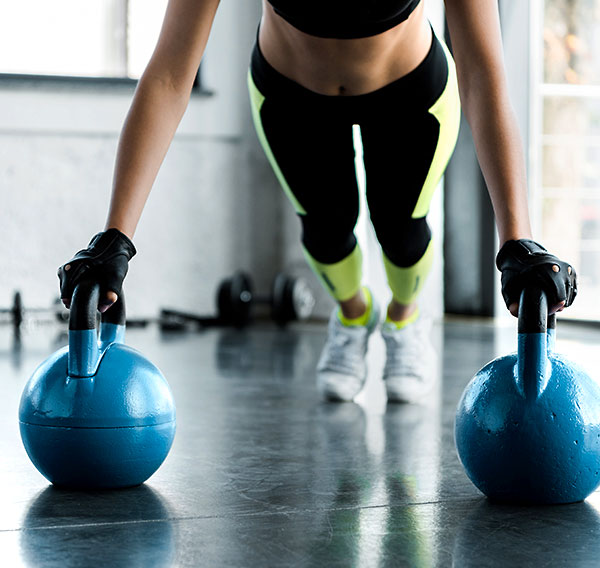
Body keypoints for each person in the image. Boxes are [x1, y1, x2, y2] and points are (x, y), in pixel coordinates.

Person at [58, 0, 577, 404]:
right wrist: (116, 237)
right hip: (290, 94)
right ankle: (354, 317)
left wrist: (516, 241)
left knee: (401, 230)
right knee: (326, 233)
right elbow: (171, 72)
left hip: (410, 90)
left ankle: (402, 318)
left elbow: (484, 69)